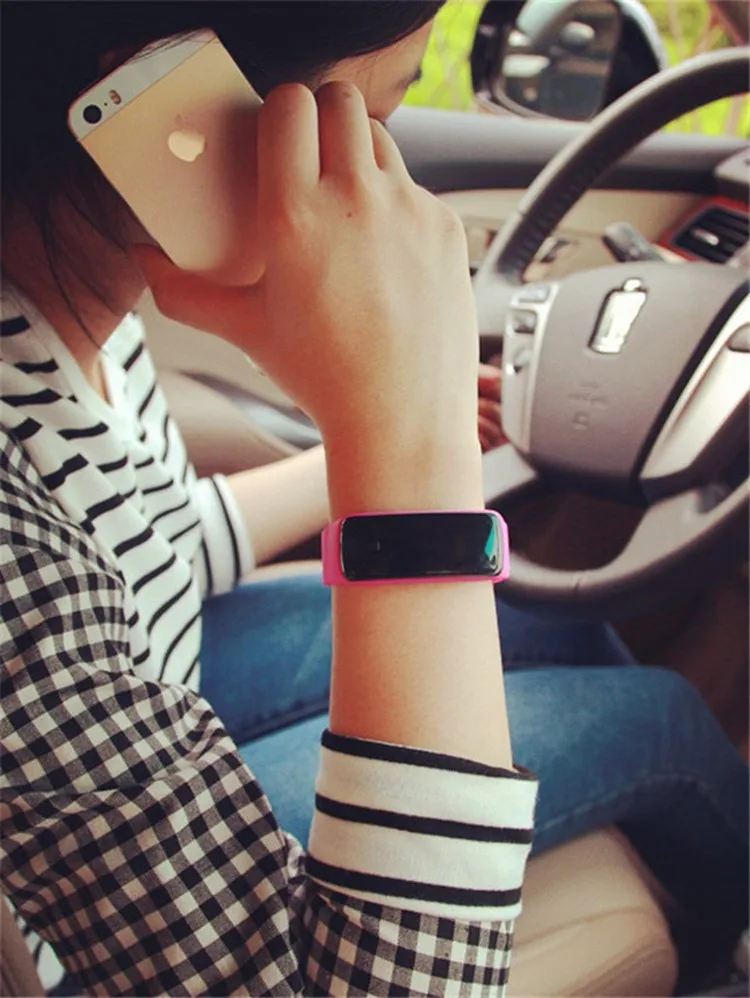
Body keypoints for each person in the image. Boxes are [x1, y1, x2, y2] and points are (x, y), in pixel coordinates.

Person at [0, 2, 746, 995]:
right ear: (161, 96)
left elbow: (151, 539)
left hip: (166, 667)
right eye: (372, 125)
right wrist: (408, 441)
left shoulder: (67, 310)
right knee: (660, 715)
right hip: (82, 924)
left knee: (552, 622)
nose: (401, 200)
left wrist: (373, 434)